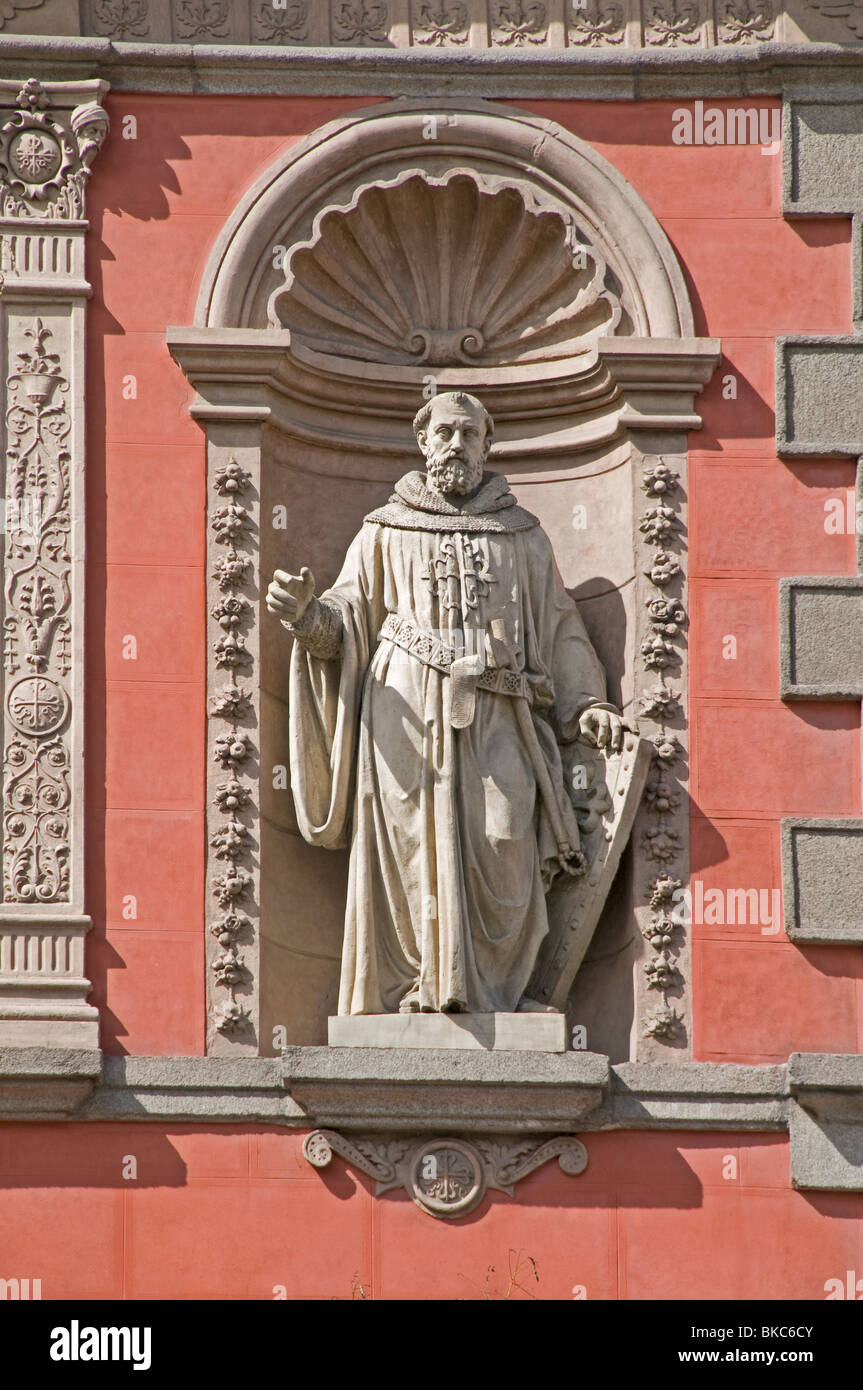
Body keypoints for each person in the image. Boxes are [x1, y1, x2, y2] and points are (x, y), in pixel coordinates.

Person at [266, 391, 623, 1016]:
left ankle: (497, 997)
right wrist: (307, 619)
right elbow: (347, 618)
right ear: (422, 441)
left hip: (501, 711)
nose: (456, 444)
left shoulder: (524, 536)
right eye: (445, 433)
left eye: (469, 434)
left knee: (505, 836)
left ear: (488, 446)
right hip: (403, 712)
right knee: (409, 849)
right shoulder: (383, 530)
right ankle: (415, 985)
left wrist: (587, 701)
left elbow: (561, 625)